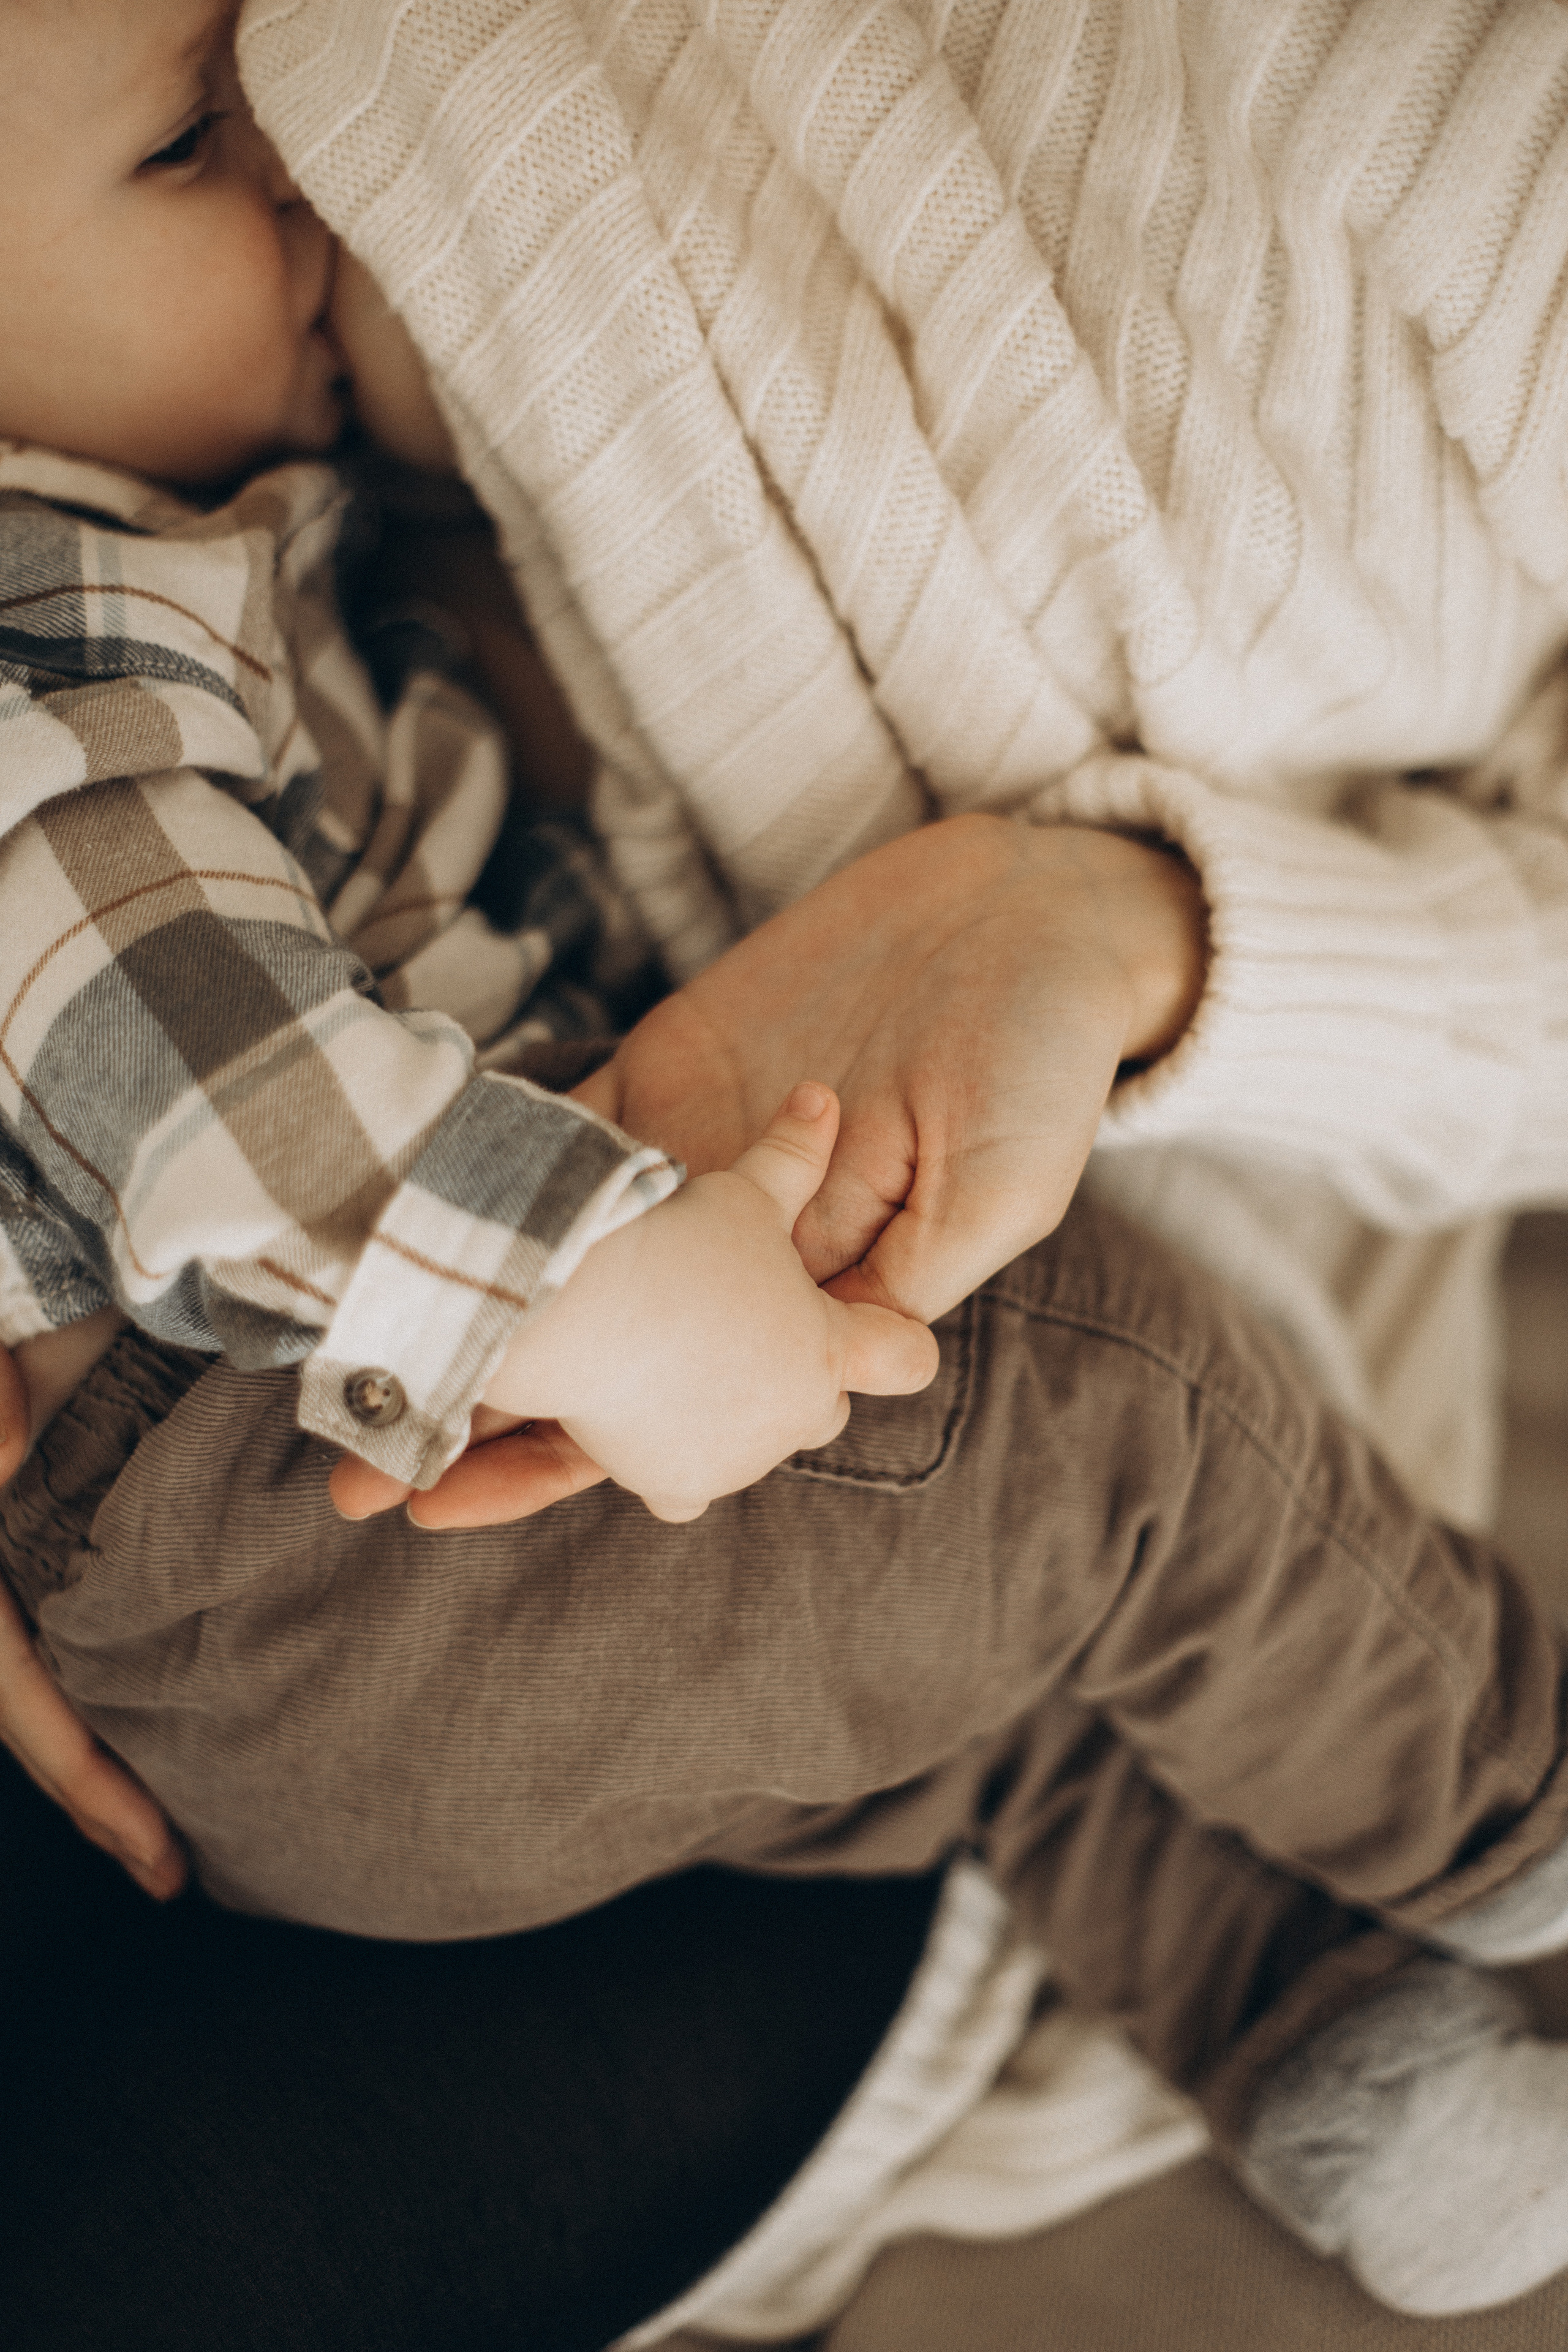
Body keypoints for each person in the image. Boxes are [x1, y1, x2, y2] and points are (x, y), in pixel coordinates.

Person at [8, 0, 1568, 2333]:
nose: (302, 182)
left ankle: (1320, 2032)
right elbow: (193, 1067)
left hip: (325, 1680)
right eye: (191, 151)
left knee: (965, 1677)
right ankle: (1513, 1811)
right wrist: (583, 1283)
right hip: (287, 1495)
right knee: (1086, 1409)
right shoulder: (53, 624)